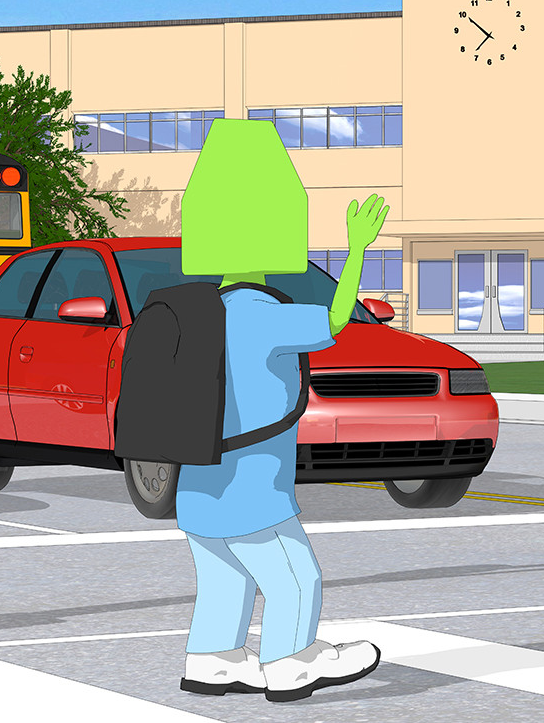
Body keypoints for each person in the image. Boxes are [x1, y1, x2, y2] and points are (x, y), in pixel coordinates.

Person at [176, 119, 387, 701]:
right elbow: (337, 320)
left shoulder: (197, 312)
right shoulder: (261, 312)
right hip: (253, 487)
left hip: (196, 485)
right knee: (296, 577)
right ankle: (292, 660)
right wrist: (356, 250)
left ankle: (212, 660)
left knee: (224, 580)